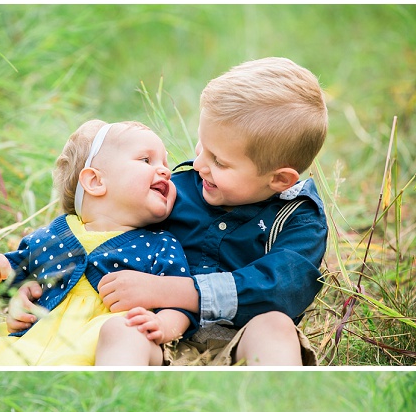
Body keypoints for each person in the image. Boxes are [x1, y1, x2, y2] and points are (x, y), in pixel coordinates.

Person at [92, 58, 330, 366]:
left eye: (219, 161)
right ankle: (121, 403)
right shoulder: (177, 189)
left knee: (275, 327)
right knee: (121, 331)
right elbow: (105, 228)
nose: (200, 164)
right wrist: (36, 276)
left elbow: (281, 290)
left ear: (278, 179)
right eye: (201, 145)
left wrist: (171, 290)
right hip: (160, 331)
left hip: (242, 340)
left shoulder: (298, 219)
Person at [0, 119, 194, 366]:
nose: (165, 171)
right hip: (40, 336)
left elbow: (179, 302)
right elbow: (20, 277)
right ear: (96, 182)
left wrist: (161, 324)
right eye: (146, 160)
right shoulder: (54, 235)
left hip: (106, 338)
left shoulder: (160, 244)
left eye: (165, 163)